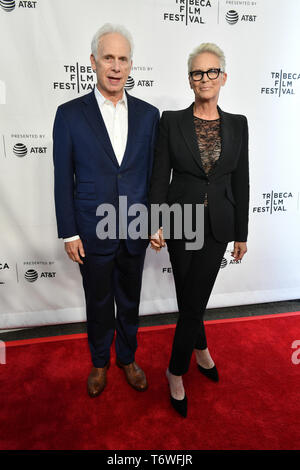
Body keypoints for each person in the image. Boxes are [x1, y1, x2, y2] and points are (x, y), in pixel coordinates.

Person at [53, 24, 160, 398]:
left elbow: (153, 176)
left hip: (134, 228)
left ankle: (127, 358)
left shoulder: (149, 115)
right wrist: (68, 231)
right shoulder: (68, 114)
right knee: (97, 302)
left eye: (123, 59)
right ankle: (100, 362)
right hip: (91, 229)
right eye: (108, 58)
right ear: (93, 63)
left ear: (131, 65)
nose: (115, 66)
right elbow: (63, 177)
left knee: (130, 300)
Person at [149, 43, 249, 417]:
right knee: (189, 297)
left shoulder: (238, 124)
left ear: (223, 77)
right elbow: (160, 176)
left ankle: (175, 370)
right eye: (196, 72)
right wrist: (155, 220)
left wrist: (242, 233)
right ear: (189, 79)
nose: (204, 79)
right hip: (179, 221)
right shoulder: (171, 120)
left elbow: (242, 181)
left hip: (218, 225)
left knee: (194, 299)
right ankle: (201, 349)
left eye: (211, 72)